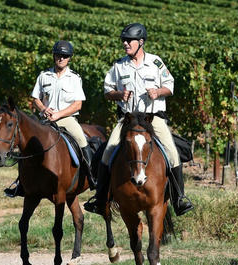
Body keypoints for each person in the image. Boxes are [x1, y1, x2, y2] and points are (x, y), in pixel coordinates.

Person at [83, 23, 193, 216]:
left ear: (141, 42)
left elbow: (170, 86)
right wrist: (119, 94)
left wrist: (158, 91)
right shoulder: (118, 66)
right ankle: (100, 200)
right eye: (123, 41)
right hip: (128, 120)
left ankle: (179, 199)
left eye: (129, 40)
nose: (125, 43)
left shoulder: (156, 62)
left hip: (152, 119)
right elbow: (107, 91)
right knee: (108, 153)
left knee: (172, 153)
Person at [4, 40, 93, 197]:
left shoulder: (74, 78)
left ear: (69, 58)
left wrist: (59, 114)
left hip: (66, 119)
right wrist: (44, 109)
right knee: (28, 145)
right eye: (59, 55)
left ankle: (91, 175)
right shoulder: (44, 76)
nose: (61, 58)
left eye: (65, 56)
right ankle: (21, 183)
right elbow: (35, 99)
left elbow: (78, 104)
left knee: (81, 139)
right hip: (45, 121)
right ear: (54, 56)